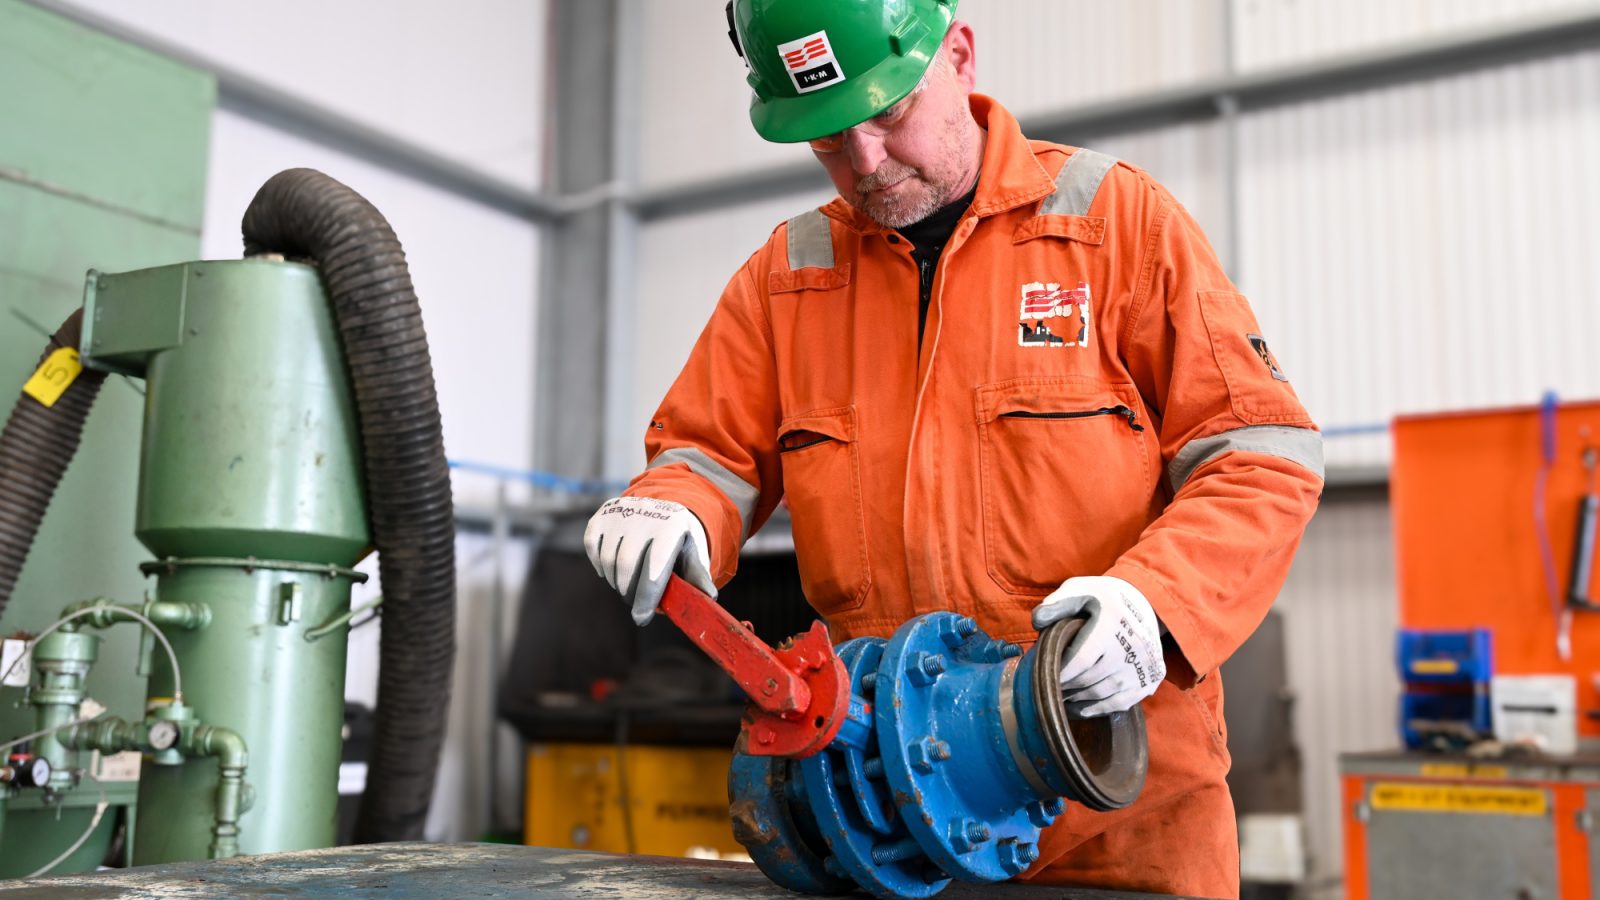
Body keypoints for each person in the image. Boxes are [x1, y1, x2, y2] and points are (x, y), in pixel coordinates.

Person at [583, 1, 1323, 896]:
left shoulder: (1115, 226)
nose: (864, 162)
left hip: (1116, 824)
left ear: (959, 55)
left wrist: (1155, 606)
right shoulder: (787, 280)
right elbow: (708, 454)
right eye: (825, 138)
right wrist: (675, 503)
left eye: (887, 115)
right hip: (891, 831)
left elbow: (1261, 454)